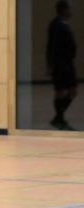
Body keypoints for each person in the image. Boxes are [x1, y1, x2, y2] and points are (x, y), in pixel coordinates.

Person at [46, 0, 77, 131]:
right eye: (69, 9)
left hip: (65, 64)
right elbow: (53, 47)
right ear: (63, 10)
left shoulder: (60, 24)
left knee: (69, 91)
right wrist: (52, 65)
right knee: (65, 91)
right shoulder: (58, 25)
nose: (71, 12)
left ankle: (59, 118)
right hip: (62, 65)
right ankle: (59, 118)